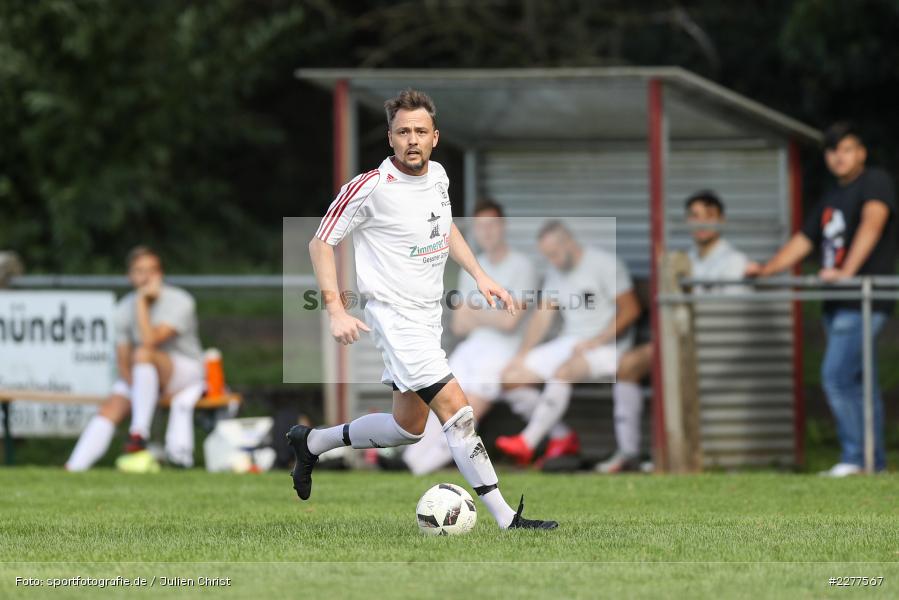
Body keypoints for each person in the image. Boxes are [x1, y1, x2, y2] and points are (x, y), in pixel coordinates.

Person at [290, 89, 557, 529]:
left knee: (408, 428)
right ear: (390, 138)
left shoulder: (438, 176)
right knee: (457, 410)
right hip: (395, 318)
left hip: (427, 318)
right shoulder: (369, 187)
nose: (412, 139)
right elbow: (320, 243)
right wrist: (336, 311)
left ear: (435, 137)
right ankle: (507, 518)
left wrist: (480, 275)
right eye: (403, 132)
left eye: (420, 131)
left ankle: (312, 442)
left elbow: (444, 227)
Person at [746, 122, 897, 476]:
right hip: (836, 303)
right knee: (860, 383)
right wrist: (768, 269)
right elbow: (805, 239)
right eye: (832, 151)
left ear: (861, 153)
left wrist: (847, 272)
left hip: (862, 299)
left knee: (836, 377)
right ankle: (872, 462)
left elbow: (872, 224)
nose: (839, 157)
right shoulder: (832, 196)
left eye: (846, 149)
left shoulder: (875, 181)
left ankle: (855, 457)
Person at [599, 190, 749, 473]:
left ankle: (670, 454)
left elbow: (732, 317)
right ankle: (630, 452)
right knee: (628, 365)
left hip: (714, 345)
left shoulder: (735, 262)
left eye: (708, 215)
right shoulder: (683, 261)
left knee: (656, 368)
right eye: (694, 216)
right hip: (680, 342)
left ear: (722, 220)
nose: (701, 222)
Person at [401, 199, 537, 475]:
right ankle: (409, 460)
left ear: (503, 226)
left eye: (491, 225)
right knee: (440, 397)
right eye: (480, 226)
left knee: (465, 412)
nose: (486, 232)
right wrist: (492, 312)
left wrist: (476, 312)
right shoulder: (476, 266)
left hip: (504, 351)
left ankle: (422, 467)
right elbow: (460, 324)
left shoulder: (522, 266)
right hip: (472, 345)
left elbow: (511, 322)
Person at [495, 221, 641, 466]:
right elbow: (542, 317)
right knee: (510, 377)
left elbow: (631, 310)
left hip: (609, 346)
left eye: (554, 254)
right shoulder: (555, 272)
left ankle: (527, 441)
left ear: (569, 243)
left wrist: (597, 340)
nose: (551, 261)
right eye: (546, 256)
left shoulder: (605, 264)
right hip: (571, 342)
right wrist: (522, 354)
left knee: (564, 371)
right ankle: (561, 437)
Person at [66, 246, 206, 471]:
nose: (146, 277)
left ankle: (138, 433)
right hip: (144, 374)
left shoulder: (180, 300)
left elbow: (150, 341)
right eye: (140, 271)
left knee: (142, 353)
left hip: (185, 373)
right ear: (129, 276)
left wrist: (141, 302)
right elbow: (123, 362)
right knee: (113, 405)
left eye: (152, 270)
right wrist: (139, 391)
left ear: (160, 274)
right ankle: (73, 467)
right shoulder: (122, 309)